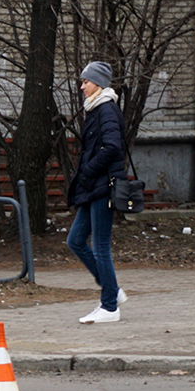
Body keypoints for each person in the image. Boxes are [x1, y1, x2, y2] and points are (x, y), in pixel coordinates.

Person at [67, 62, 129, 324]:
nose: (82, 87)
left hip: (103, 186)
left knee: (100, 245)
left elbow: (113, 147)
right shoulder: (96, 108)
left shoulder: (105, 109)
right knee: (75, 241)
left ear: (98, 83)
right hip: (93, 186)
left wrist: (89, 170)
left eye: (86, 82)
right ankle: (112, 291)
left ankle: (109, 307)